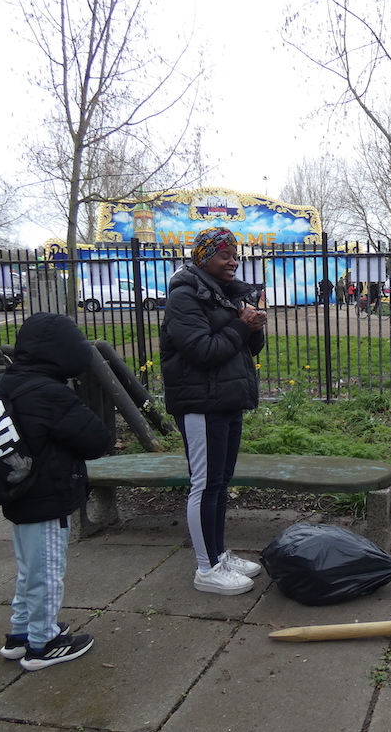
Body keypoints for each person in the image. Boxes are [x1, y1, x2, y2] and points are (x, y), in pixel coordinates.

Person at [0, 313, 113, 671]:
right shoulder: (49, 392)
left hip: (18, 493)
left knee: (29, 568)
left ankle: (21, 634)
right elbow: (97, 440)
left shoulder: (5, 382)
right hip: (47, 494)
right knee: (46, 570)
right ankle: (43, 643)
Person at [160, 227, 267, 596]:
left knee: (220, 484)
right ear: (203, 258)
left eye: (235, 254)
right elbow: (203, 351)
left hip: (226, 399)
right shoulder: (184, 297)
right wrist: (240, 325)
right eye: (224, 255)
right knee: (204, 485)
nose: (233, 260)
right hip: (200, 403)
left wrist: (253, 328)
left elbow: (242, 349)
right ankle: (206, 569)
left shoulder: (223, 296)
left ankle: (219, 554)